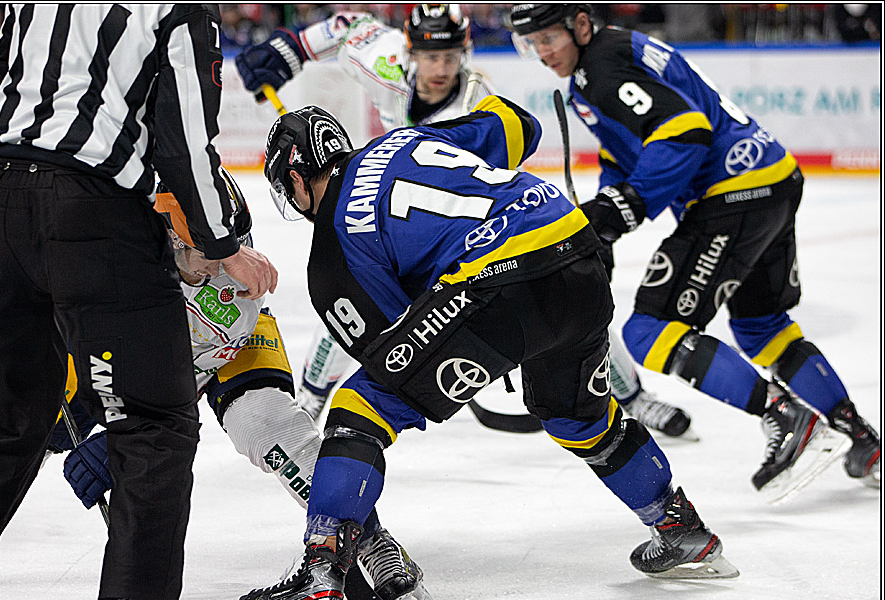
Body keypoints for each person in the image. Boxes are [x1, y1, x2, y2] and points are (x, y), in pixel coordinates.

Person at [234, 98, 738, 600]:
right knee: (578, 417)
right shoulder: (404, 140)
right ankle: (681, 530)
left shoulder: (331, 255)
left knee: (361, 409)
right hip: (576, 247)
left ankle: (319, 573)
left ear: (300, 177)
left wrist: (487, 342)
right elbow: (521, 123)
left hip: (499, 278)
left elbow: (389, 348)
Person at [0, 178, 436, 600]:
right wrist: (103, 430)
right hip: (114, 340)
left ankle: (367, 541)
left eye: (228, 250)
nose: (218, 268)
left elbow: (173, 395)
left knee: (268, 422)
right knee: (31, 434)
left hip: (207, 353)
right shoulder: (124, 266)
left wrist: (120, 446)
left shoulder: (237, 282)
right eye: (204, 254)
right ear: (168, 240)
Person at [0, 4, 276, 600]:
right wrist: (224, 247)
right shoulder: (180, 10)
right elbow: (184, 142)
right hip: (95, 212)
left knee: (6, 411)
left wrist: (12, 208)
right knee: (155, 417)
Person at [236, 4, 693, 441]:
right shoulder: (384, 59)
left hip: (467, 241)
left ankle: (633, 394)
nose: (440, 68)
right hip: (376, 208)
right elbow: (344, 26)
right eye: (431, 56)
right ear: (410, 53)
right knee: (349, 304)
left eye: (451, 56)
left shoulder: (476, 101)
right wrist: (289, 49)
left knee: (558, 284)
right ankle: (311, 403)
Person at [507, 4, 880, 497]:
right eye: (531, 44)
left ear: (579, 25)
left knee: (650, 330)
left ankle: (785, 416)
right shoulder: (601, 63)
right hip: (771, 178)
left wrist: (630, 205)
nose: (541, 53)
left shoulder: (603, 64)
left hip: (733, 195)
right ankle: (860, 436)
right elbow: (624, 149)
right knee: (761, 326)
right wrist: (608, 220)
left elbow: (684, 132)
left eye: (548, 38)